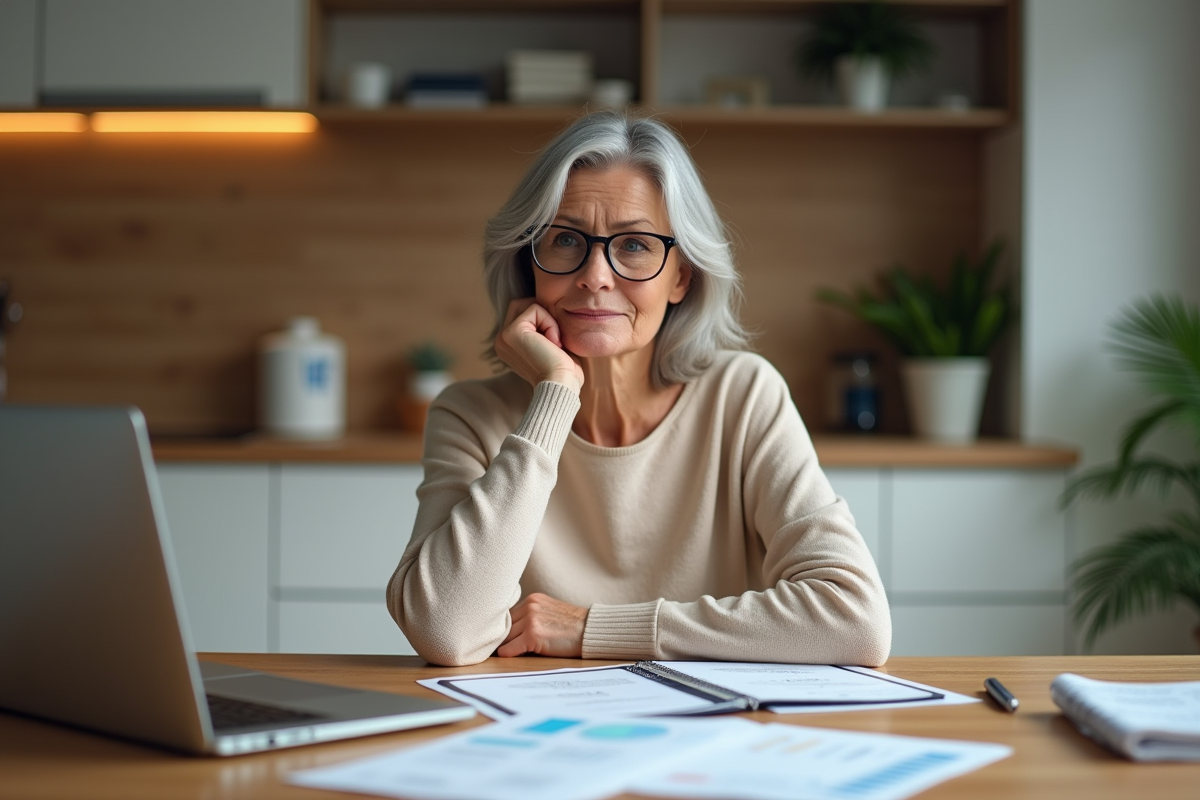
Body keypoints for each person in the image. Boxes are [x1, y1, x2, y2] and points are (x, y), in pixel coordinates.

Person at [386, 110, 890, 668]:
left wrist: (590, 628)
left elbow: (856, 620)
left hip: (710, 733)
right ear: (529, 264)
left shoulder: (744, 396)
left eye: (633, 246)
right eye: (565, 240)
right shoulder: (469, 414)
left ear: (682, 277)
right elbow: (444, 631)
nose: (595, 275)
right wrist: (555, 394)